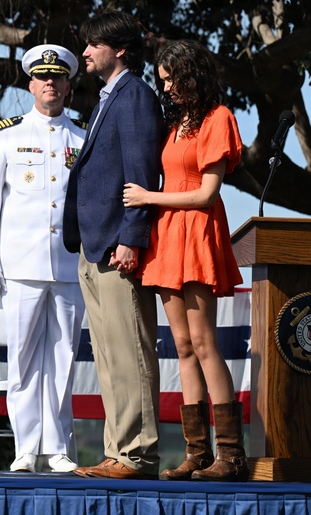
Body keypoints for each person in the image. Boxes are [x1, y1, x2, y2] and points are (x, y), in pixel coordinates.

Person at [122, 39, 248, 481]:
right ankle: (198, 453)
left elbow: (207, 194)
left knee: (204, 341)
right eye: (164, 81)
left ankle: (231, 455)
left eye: (174, 78)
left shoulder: (219, 118)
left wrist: (147, 197)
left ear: (193, 74)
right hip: (167, 238)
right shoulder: (174, 125)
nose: (169, 87)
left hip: (196, 233)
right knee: (181, 347)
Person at [61, 10, 165, 480]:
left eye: (93, 43)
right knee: (108, 358)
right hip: (93, 247)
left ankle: (137, 454)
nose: (84, 51)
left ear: (119, 49)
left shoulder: (136, 96)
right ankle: (117, 452)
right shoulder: (106, 99)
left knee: (130, 353)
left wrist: (131, 239)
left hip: (117, 248)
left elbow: (141, 174)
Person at [0, 44, 87, 473]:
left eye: (57, 78)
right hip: (20, 265)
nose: (50, 84)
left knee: (62, 358)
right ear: (31, 84)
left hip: (67, 265)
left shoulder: (82, 137)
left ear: (68, 86)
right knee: (21, 359)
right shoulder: (7, 134)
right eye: (43, 78)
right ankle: (25, 447)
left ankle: (56, 446)